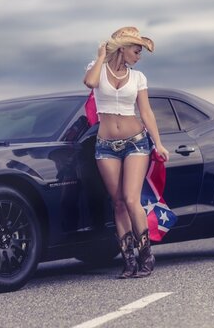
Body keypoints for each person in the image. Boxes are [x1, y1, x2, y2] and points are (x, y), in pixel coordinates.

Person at [83, 26, 169, 278]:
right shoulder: (96, 68)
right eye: (136, 50)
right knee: (118, 202)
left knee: (132, 199)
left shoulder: (138, 78)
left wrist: (159, 142)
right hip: (106, 146)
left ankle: (146, 257)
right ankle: (128, 260)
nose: (139, 55)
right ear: (122, 48)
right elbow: (89, 82)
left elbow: (146, 112)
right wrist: (100, 57)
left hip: (135, 142)